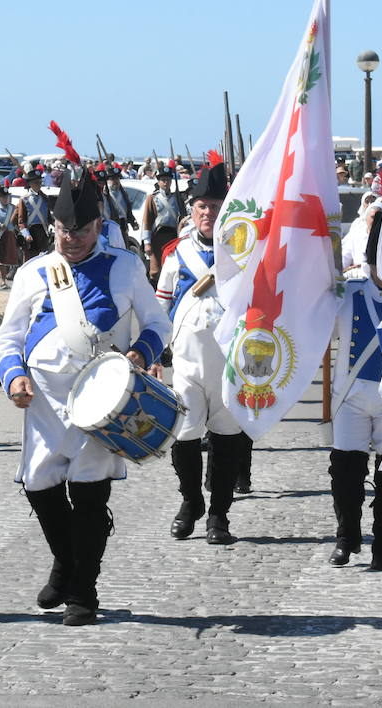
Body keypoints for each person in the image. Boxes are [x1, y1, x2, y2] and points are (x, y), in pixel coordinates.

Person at [0, 160, 170, 626]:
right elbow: (8, 338)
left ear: (98, 226)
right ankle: (65, 563)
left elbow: (157, 323)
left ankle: (83, 592)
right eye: (62, 230)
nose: (70, 238)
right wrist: (13, 376)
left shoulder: (126, 267)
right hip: (46, 404)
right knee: (40, 487)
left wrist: (140, 351)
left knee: (90, 496)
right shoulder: (35, 273)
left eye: (80, 230)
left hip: (101, 404)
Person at [152, 157, 245, 545]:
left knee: (226, 440)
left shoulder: (243, 251)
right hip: (187, 363)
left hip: (229, 365)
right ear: (192, 211)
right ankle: (191, 502)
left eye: (216, 207)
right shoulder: (176, 254)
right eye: (202, 207)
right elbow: (160, 307)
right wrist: (155, 356)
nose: (209, 213)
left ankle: (219, 515)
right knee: (185, 438)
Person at [327, 209, 382, 569]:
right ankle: (346, 537)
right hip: (350, 396)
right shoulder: (347, 291)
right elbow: (320, 326)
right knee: (345, 474)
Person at [141, 169, 184, 283]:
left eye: (168, 180)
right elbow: (147, 221)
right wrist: (147, 243)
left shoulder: (178, 198)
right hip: (157, 237)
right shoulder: (152, 198)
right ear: (158, 182)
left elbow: (183, 218)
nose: (166, 183)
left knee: (172, 267)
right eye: (163, 180)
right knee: (155, 270)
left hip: (173, 237)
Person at [16, 178, 51, 259]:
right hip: (31, 232)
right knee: (30, 260)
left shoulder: (45, 198)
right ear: (30, 184)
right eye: (36, 182)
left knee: (44, 260)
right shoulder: (24, 199)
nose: (39, 184)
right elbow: (21, 221)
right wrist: (26, 234)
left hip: (43, 232)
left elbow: (49, 217)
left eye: (40, 182)